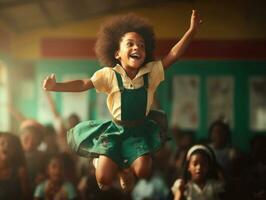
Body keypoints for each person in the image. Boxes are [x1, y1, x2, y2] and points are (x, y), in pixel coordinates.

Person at [43, 10, 201, 191]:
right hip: (116, 130)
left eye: (141, 45)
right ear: (117, 53)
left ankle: (126, 170)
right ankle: (104, 164)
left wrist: (191, 31)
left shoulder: (151, 72)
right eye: (130, 44)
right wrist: (56, 86)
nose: (137, 48)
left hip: (139, 130)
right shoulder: (110, 75)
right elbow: (83, 83)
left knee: (143, 171)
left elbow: (173, 54)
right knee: (103, 180)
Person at [0, 132, 29, 200]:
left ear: (15, 150)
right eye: (2, 143)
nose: (6, 145)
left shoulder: (20, 171)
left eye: (10, 144)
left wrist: (23, 180)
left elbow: (27, 197)